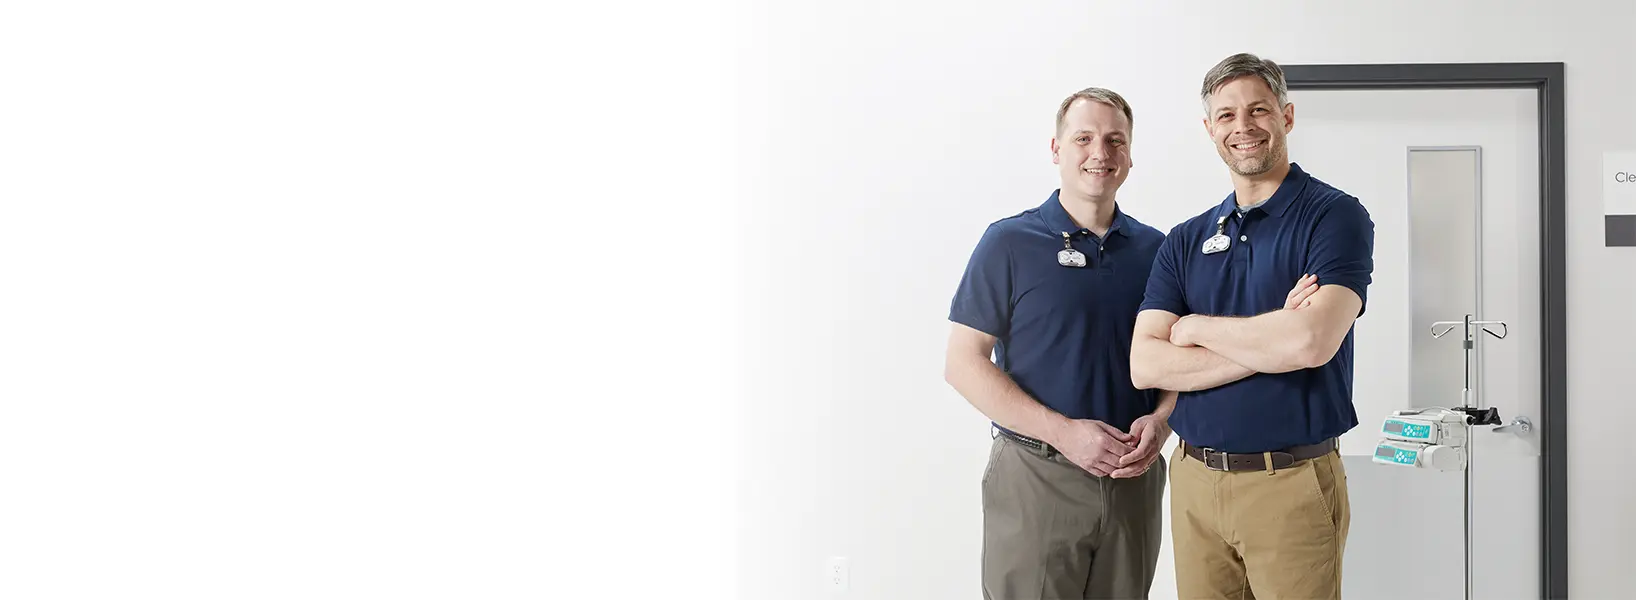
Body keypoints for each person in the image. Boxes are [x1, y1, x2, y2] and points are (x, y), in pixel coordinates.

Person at [1129, 52, 1376, 599]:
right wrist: (1271, 340)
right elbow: (1145, 363)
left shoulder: (1335, 217)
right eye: (1226, 115)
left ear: (1286, 116)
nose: (1243, 127)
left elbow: (1311, 341)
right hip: (1193, 482)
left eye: (1258, 110)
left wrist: (1193, 326)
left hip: (1289, 483)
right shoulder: (1186, 239)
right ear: (1209, 129)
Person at [943, 87, 1173, 600]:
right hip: (1036, 474)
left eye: (1115, 141)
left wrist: (1163, 421)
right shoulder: (1007, 243)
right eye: (1084, 138)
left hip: (1133, 481)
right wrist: (1063, 433)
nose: (1100, 153)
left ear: (1130, 157)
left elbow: (1184, 358)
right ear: (1056, 149)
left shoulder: (1158, 252)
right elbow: (962, 363)